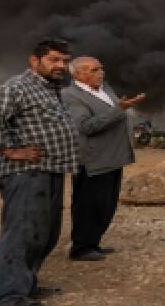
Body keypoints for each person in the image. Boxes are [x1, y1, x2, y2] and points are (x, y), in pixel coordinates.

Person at [0, 37, 80, 306]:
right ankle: (11, 296)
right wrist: (9, 150)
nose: (61, 66)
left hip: (51, 170)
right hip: (26, 173)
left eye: (65, 61)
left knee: (45, 233)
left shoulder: (50, 89)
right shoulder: (17, 87)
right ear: (35, 60)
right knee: (22, 233)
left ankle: (27, 284)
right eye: (54, 60)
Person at [62, 56, 145, 261]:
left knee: (106, 204)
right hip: (93, 160)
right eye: (94, 70)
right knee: (88, 205)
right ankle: (81, 248)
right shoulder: (71, 95)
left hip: (113, 158)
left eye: (101, 68)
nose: (100, 72)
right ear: (78, 74)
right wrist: (120, 109)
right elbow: (86, 126)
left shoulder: (105, 89)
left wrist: (121, 107)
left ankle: (93, 242)